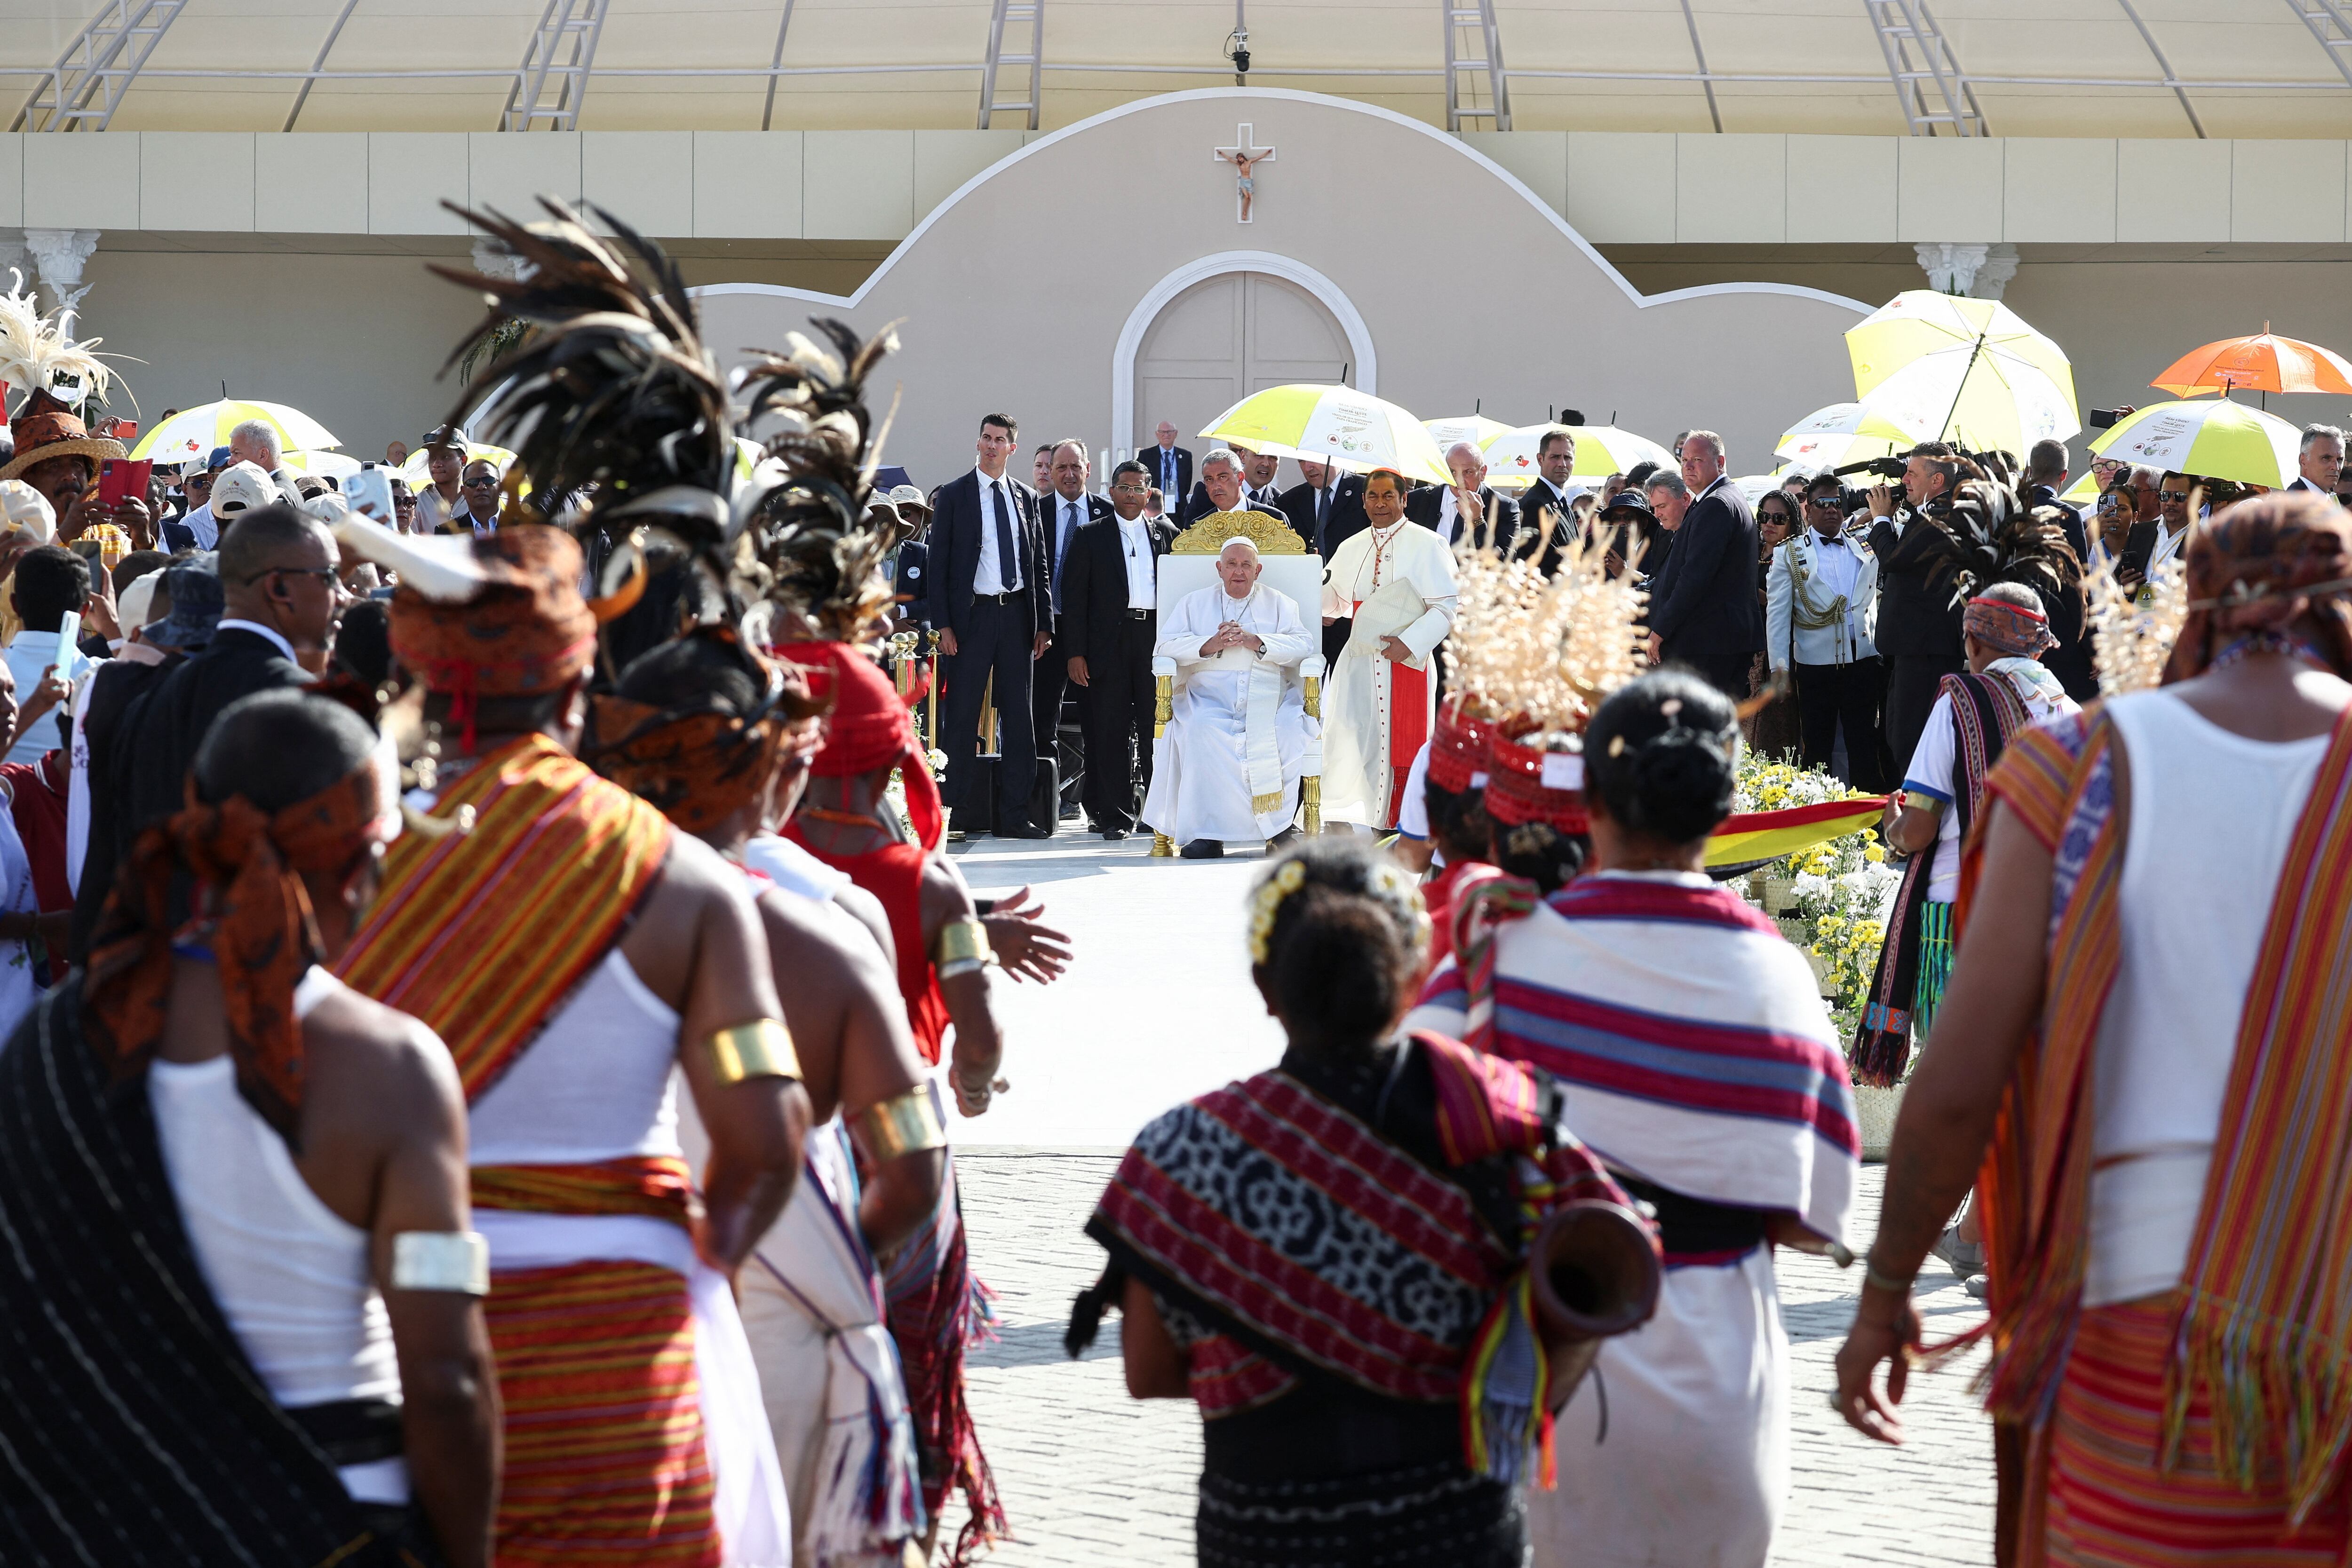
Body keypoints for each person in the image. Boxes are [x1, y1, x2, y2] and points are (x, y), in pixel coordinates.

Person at [1835, 492, 2352, 1566]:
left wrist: (1886, 1290)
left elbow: (1964, 1074)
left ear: (2193, 615)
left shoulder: (2082, 767)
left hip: (2146, 1319)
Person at [335, 523, 803, 1566]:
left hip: (394, 1334)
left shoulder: (347, 871)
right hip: (623, 1337)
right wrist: (691, 1270)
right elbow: (768, 1142)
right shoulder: (681, 880)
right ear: (577, 685)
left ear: (420, 676)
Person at [0, 690, 500, 1567]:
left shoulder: (54, 1034)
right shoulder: (392, 1069)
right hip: (331, 1522)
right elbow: (448, 1377)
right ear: (363, 857)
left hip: (86, 1527)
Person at [1072, 837, 1635, 1568]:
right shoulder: (1499, 1121)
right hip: (1453, 1531)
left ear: (1265, 988)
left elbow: (1148, 1373)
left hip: (1264, 1534)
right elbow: (1608, 1278)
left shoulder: (1183, 1152)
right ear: (1410, 983)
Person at [1410, 670, 1859, 1568]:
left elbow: (1408, 1122)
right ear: (1722, 805)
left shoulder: (1499, 949)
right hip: (1724, 1385)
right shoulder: (1779, 976)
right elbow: (1814, 1218)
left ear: (1594, 800)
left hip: (1546, 1382)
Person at [590, 631, 945, 1568]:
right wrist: (821, 1259)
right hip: (777, 1314)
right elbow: (915, 1167)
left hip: (576, 1315)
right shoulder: (820, 934)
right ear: (765, 773)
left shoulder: (531, 906)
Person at [773, 638, 1011, 1557]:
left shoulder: (751, 868)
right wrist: (975, 1081)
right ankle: (897, 1517)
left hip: (783, 1160)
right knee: (910, 1371)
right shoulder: (932, 889)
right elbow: (979, 1023)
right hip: (900, 1155)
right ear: (887, 759)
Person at [1851, 581, 2078, 1093]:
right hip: (2048, 921)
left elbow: (1917, 829)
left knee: (1961, 1083)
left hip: (1958, 917)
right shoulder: (2071, 714)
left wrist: (1891, 826)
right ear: (2039, 645)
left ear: (1972, 642)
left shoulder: (1960, 700)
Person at [1141, 536, 1316, 858]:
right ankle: (1207, 834)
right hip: (1208, 696)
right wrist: (1209, 645)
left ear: (1258, 570)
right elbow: (1164, 647)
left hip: (1269, 695)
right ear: (1219, 569)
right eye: (1232, 565)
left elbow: (1304, 646)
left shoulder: (1280, 603)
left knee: (1290, 731)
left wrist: (1256, 641)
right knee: (1199, 730)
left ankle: (1278, 831)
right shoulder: (1193, 603)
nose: (1239, 572)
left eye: (1246, 565)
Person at [922, 413, 1050, 840]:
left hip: (1016, 617)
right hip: (971, 618)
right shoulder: (956, 495)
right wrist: (944, 625)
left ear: (1012, 449)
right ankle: (951, 811)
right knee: (960, 716)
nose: (991, 446)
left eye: (1000, 440)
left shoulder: (1026, 497)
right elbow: (937, 565)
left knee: (1020, 718)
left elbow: (1039, 566)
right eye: (986, 438)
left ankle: (1015, 813)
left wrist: (1043, 624)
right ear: (978, 443)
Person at [1320, 468, 1459, 830]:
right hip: (1360, 660)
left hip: (1406, 661)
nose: (1379, 504)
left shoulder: (1428, 544)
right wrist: (1312, 576)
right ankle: (1350, 816)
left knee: (1402, 743)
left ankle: (1398, 822)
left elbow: (1447, 606)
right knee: (1352, 736)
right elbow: (1335, 604)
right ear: (1363, 500)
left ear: (1403, 499)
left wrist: (1410, 642)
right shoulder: (1350, 546)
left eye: (1387, 496)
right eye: (1372, 496)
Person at [1062, 458, 1176, 839]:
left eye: (1139, 488)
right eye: (1124, 488)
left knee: (1154, 725)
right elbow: (1074, 598)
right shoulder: (1090, 535)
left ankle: (1157, 814)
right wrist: (1075, 652)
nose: (1131, 495)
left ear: (1149, 494)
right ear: (1111, 492)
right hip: (1105, 645)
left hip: (1153, 641)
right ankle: (1114, 816)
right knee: (1108, 728)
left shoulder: (1166, 534)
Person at [1767, 474, 1883, 786]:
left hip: (1863, 662)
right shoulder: (1788, 553)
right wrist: (1780, 670)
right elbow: (1777, 617)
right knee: (1818, 749)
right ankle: (1816, 821)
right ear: (1808, 510)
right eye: (1823, 504)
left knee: (1864, 747)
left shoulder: (1865, 544)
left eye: (1837, 503)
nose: (1831, 509)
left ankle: (1867, 822)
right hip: (1816, 667)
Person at [1867, 442, 1971, 767]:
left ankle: (1919, 813)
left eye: (1912, 474)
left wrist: (1881, 520)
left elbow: (1895, 559)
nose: (1904, 481)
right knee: (1898, 735)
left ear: (1937, 481)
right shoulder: (1927, 514)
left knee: (1913, 741)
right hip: (1915, 648)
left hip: (1928, 650)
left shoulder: (1942, 516)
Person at [1642, 432, 1762, 699]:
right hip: (1717, 640)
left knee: (1698, 730)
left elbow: (1694, 578)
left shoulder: (1717, 504)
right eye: (1684, 460)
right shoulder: (1718, 499)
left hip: (1711, 642)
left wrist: (1660, 630)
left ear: (1720, 461)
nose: (1688, 467)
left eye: (1697, 459)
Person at [1035, 438, 1110, 827]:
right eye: (1059, 467)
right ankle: (1046, 806)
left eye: (1074, 467)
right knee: (1042, 720)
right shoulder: (1035, 511)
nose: (1067, 474)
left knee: (1097, 721)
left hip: (1094, 637)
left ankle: (1098, 808)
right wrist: (1040, 627)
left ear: (1087, 470)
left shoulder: (1108, 514)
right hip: (1048, 632)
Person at [2021, 438, 2099, 701]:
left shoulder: (2006, 511)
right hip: (2058, 637)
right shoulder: (2067, 515)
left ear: (2029, 471)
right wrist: (2092, 646)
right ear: (2064, 475)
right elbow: (2077, 582)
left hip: (2013, 631)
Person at [2, 544, 89, 766]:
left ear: (14, 605)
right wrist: (114, 630)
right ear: (85, 612)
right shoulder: (102, 675)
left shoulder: (5, 668)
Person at [1409, 440, 1521, 552]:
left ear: (1483, 473)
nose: (1459, 481)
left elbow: (1504, 563)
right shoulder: (1418, 500)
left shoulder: (1505, 508)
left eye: (1468, 472)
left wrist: (1478, 521)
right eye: (1453, 472)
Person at [1277, 454, 1367, 560]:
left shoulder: (1367, 489)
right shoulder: (1288, 501)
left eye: (1314, 458)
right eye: (1302, 461)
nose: (1308, 468)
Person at [436, 459, 502, 536]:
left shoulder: (519, 525)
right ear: (463, 491)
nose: (481, 487)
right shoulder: (446, 532)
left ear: (501, 488)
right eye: (472, 482)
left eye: (489, 480)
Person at [413, 432, 465, 532]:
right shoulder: (415, 503)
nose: (436, 464)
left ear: (463, 461)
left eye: (445, 457)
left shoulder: (477, 500)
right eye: (433, 458)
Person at [1144, 421, 1192, 515]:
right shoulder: (1146, 455)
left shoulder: (1186, 456)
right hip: (1155, 506)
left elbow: (1187, 483)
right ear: (1157, 434)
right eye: (1162, 432)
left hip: (1179, 507)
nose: (1166, 435)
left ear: (1176, 434)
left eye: (1169, 432)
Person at [2288, 421, 2344, 498]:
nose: (2336, 467)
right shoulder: (2293, 504)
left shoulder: (2330, 500)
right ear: (2303, 461)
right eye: (2326, 458)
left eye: (2340, 460)